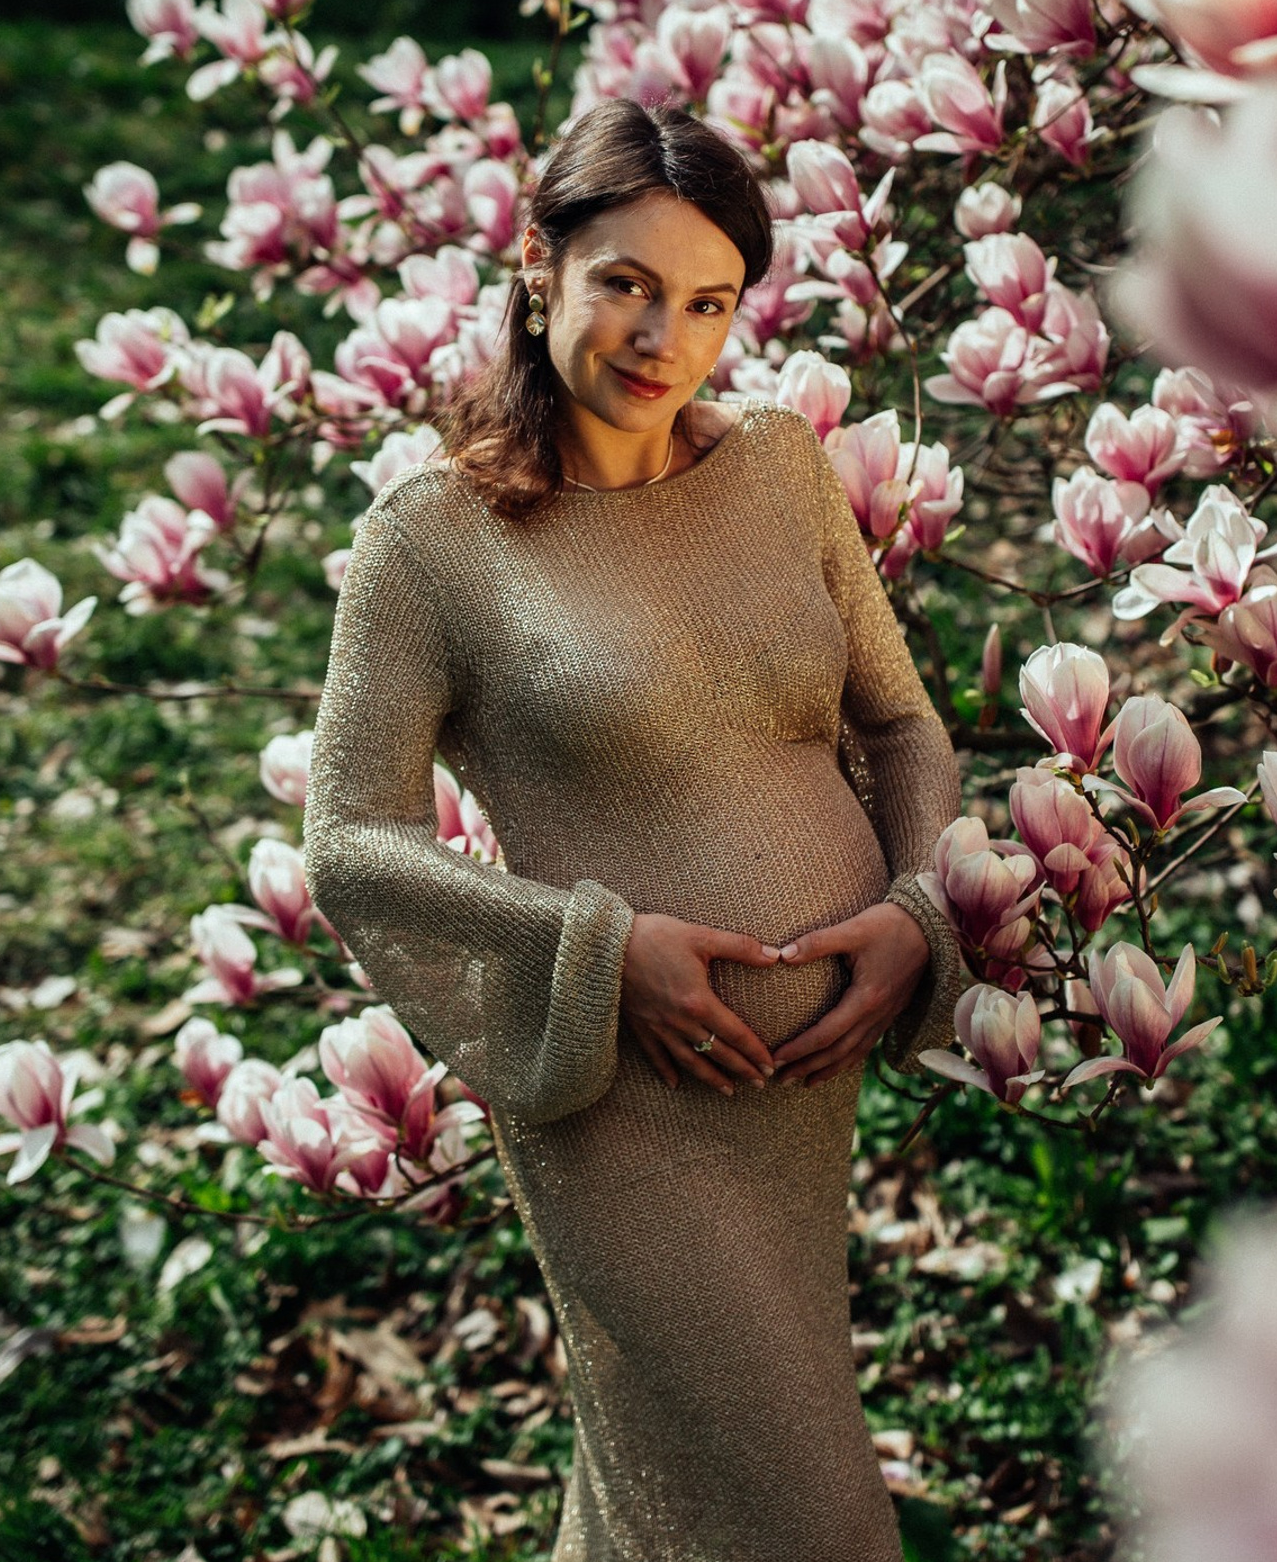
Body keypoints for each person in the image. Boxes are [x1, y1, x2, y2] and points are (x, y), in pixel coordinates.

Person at [301, 97, 966, 1561]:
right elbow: (347, 841)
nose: (666, 338)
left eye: (709, 302)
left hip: (798, 1088)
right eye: (627, 284)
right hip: (622, 1096)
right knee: (810, 1515)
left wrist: (915, 912)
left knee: (670, 1484)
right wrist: (602, 950)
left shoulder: (778, 468)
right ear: (537, 267)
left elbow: (904, 725)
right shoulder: (432, 542)